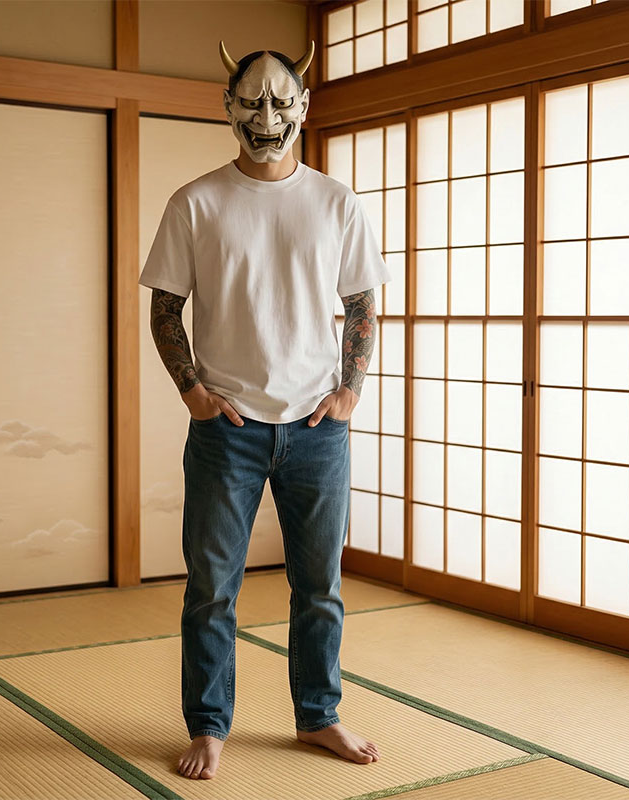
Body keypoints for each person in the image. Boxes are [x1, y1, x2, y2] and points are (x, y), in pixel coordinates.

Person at [138, 39, 391, 781]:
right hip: (228, 432)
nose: (267, 114)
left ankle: (320, 717)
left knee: (321, 587)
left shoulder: (336, 202)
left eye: (282, 100)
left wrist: (350, 392)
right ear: (228, 107)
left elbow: (361, 302)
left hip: (319, 428)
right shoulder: (196, 201)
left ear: (304, 107)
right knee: (211, 587)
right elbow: (165, 311)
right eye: (251, 100)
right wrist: (194, 394)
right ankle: (210, 726)